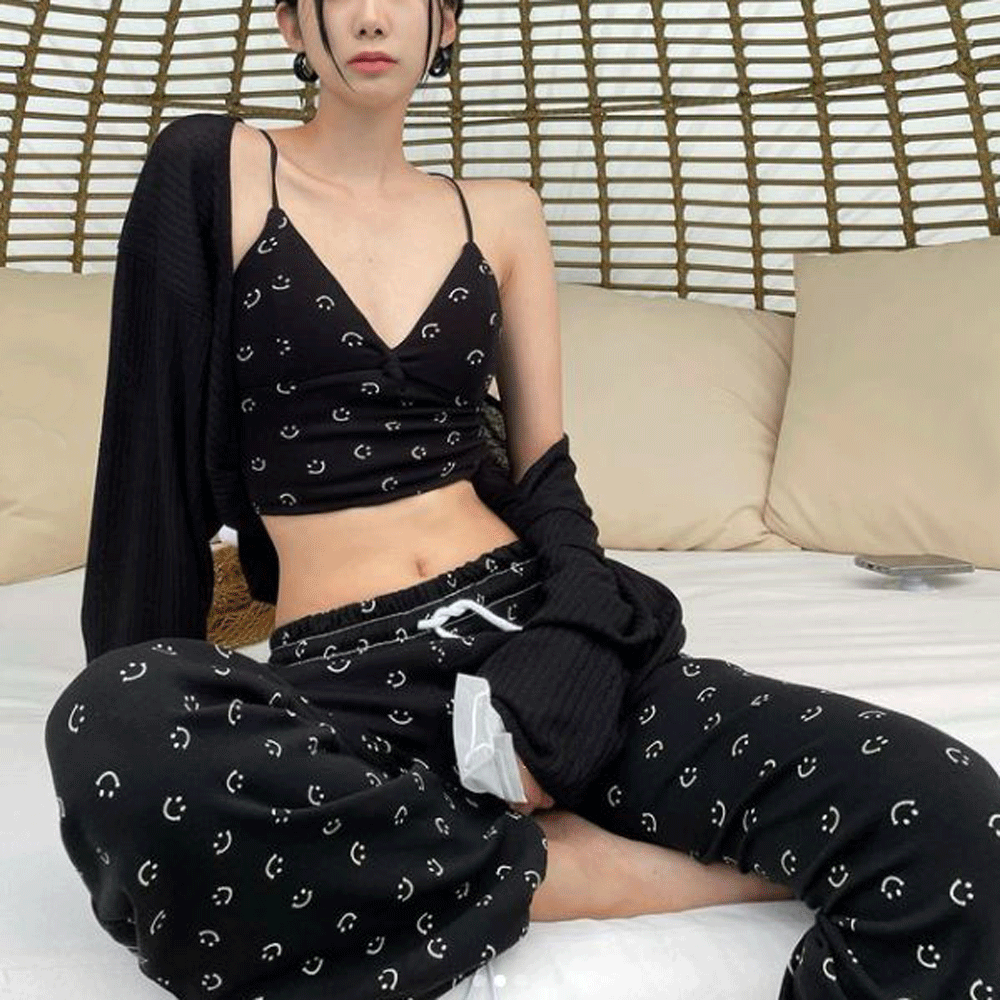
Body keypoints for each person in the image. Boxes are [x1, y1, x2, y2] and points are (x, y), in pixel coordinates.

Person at [43, 2, 1000, 999]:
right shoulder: (215, 168)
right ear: (290, 24)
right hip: (349, 678)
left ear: (445, 25)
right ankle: (572, 871)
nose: (371, 14)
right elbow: (146, 471)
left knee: (950, 809)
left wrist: (572, 646)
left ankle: (474, 842)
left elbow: (546, 479)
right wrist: (152, 710)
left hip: (527, 631)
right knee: (110, 717)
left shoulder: (500, 213)